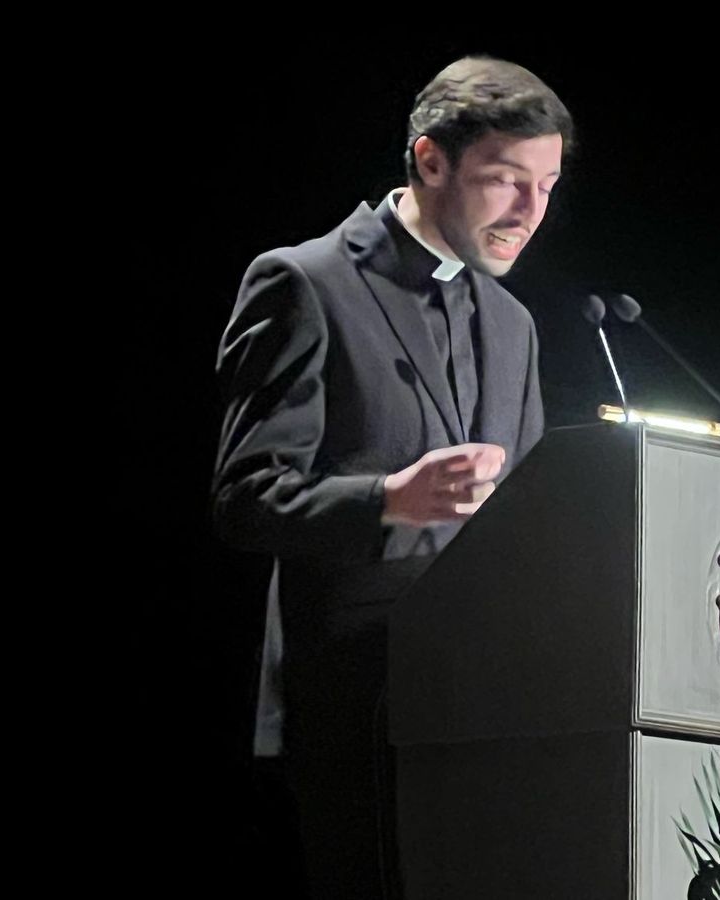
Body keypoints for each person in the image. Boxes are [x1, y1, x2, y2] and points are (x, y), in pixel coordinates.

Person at [211, 55, 573, 897]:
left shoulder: (513, 325)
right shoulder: (305, 283)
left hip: (483, 720)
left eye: (547, 185)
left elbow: (521, 528)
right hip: (348, 713)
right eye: (505, 180)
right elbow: (243, 498)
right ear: (430, 160)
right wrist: (387, 501)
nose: (530, 211)